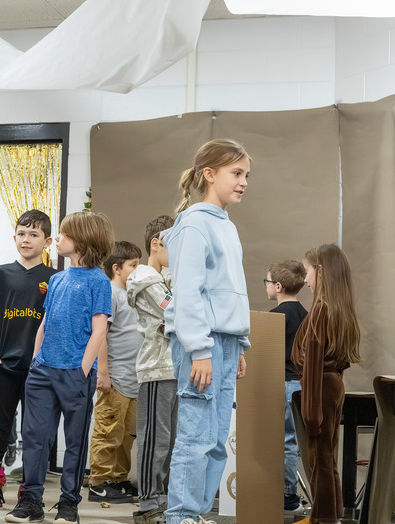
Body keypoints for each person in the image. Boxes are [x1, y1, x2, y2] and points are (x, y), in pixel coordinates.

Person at [161, 139, 251, 524]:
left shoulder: (226, 225)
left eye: (247, 175)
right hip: (203, 343)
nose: (244, 181)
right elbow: (188, 291)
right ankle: (180, 516)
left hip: (225, 343)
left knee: (216, 442)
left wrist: (240, 344)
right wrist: (199, 348)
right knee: (196, 437)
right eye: (236, 173)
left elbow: (231, 289)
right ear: (209, 174)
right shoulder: (194, 223)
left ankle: (195, 514)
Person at [8, 211, 114, 524]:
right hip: (42, 371)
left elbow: (99, 330)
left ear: (82, 241)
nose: (57, 239)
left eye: (64, 235)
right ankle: (31, 501)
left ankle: (69, 504)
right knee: (34, 437)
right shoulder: (56, 279)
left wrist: (82, 370)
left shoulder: (98, 281)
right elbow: (45, 321)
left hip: (74, 374)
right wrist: (37, 358)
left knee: (75, 441)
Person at [0, 209, 56, 510]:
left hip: (38, 369)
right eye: (22, 234)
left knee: (34, 430)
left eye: (34, 234)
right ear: (14, 237)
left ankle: (29, 488)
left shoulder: (54, 279)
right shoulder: (0, 274)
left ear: (47, 241)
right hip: (5, 366)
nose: (27, 239)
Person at [292, 245, 360, 524]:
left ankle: (323, 518)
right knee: (327, 457)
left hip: (319, 387)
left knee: (318, 459)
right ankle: (331, 514)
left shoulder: (321, 310)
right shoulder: (340, 309)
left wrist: (310, 413)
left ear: (320, 272)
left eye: (307, 272)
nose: (305, 280)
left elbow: (312, 363)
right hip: (332, 386)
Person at [126, 215, 177, 524]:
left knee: (170, 441)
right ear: (155, 245)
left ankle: (165, 500)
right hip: (157, 368)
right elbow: (174, 309)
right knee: (154, 440)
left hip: (176, 367)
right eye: (175, 245)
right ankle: (148, 504)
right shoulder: (143, 278)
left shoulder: (166, 277)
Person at [87, 241, 142, 504]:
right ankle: (99, 481)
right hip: (115, 379)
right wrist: (103, 373)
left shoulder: (134, 295)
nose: (138, 269)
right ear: (117, 268)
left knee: (126, 434)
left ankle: (118, 479)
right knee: (108, 431)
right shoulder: (110, 293)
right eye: (133, 265)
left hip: (134, 379)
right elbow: (102, 337)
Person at [264, 260, 309, 514]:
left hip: (283, 383)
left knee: (285, 443)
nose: (266, 287)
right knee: (291, 442)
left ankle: (288, 496)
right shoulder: (307, 315)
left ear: (278, 286)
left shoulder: (275, 318)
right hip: (300, 383)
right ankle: (286, 492)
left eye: (267, 282)